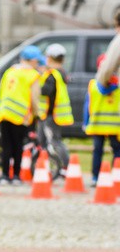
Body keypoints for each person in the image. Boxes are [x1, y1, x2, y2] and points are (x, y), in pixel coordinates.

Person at [0, 45, 43, 185]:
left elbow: (2, 91)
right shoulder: (32, 75)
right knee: (17, 146)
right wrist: (37, 114)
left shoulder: (9, 72)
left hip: (3, 112)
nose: (38, 64)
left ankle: (4, 175)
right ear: (32, 60)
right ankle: (16, 176)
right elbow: (34, 99)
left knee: (6, 145)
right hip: (20, 115)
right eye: (37, 61)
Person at [36, 43, 73, 174]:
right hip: (50, 114)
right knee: (42, 140)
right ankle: (45, 165)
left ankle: (66, 167)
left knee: (54, 141)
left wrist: (37, 84)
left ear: (50, 57)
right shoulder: (61, 72)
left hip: (51, 114)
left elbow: (46, 91)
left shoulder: (53, 75)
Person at [85, 53, 120, 186]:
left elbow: (87, 106)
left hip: (97, 125)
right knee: (117, 151)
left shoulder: (93, 84)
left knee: (97, 151)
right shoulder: (118, 85)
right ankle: (116, 176)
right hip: (115, 126)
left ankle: (95, 177)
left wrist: (86, 122)